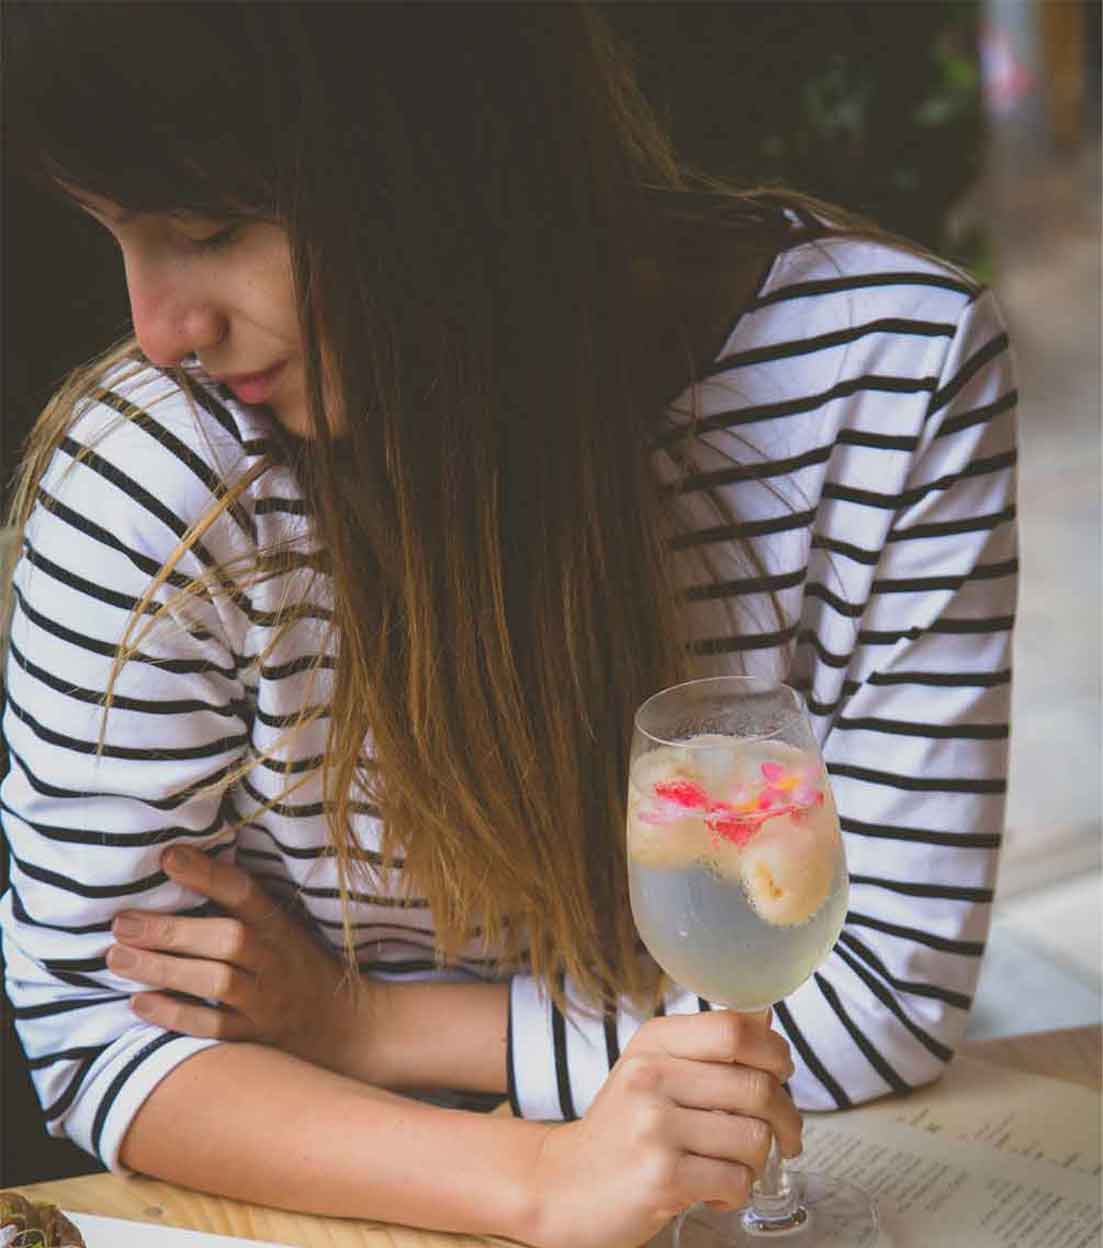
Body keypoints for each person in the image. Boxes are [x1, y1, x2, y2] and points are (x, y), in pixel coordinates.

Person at [1, 4, 1016, 1245]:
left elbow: (881, 995)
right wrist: (537, 1184)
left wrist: (364, 1026)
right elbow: (95, 1037)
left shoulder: (891, 373)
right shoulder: (160, 471)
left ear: (448, 153)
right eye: (116, 235)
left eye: (214, 231)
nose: (161, 332)